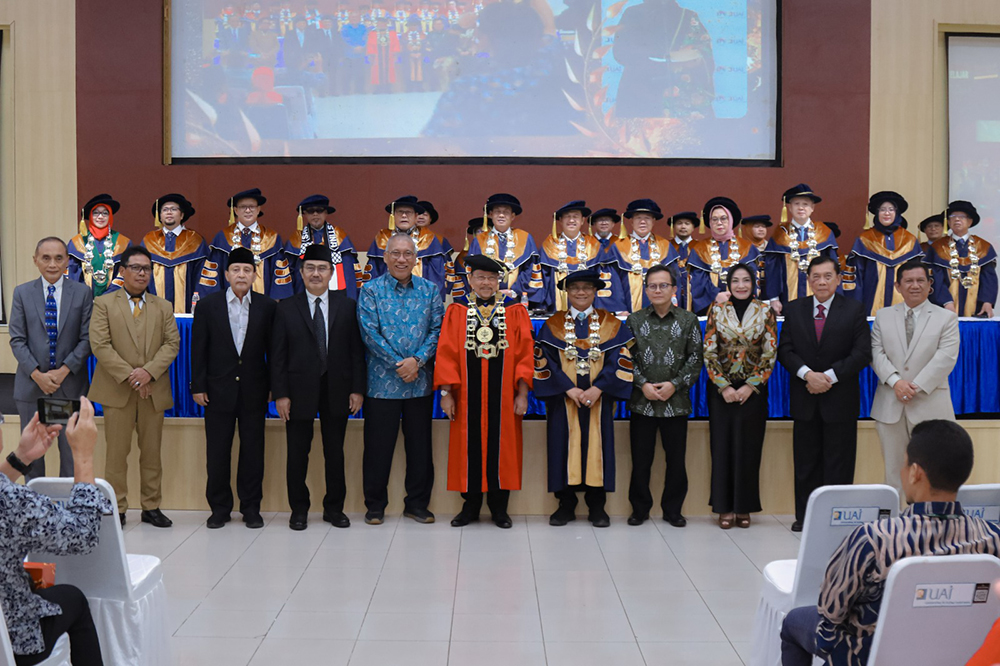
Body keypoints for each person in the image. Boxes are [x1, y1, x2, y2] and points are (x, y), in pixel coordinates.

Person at [779, 420, 1000, 666]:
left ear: (915, 473)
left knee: (793, 622)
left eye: (904, 464)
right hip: (962, 654)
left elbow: (831, 610)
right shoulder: (993, 538)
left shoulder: (873, 538)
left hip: (869, 655)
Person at [0, 397, 112, 666]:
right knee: (73, 597)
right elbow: (82, 535)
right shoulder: (12, 500)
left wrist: (21, 458)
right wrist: (83, 456)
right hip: (14, 639)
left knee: (37, 577)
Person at [435, 254, 534, 529]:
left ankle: (500, 509)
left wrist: (522, 393)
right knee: (468, 448)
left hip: (504, 397)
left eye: (492, 278)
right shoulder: (457, 310)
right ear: (470, 279)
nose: (486, 283)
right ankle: (470, 507)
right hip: (466, 397)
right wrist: (446, 393)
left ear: (499, 281)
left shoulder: (514, 310)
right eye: (481, 277)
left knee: (503, 448)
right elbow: (446, 353)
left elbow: (525, 354)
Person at [273, 245, 366, 530]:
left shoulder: (347, 305)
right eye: (310, 268)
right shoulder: (286, 308)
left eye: (322, 268)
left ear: (331, 273)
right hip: (298, 391)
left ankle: (334, 509)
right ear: (301, 273)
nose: (316, 274)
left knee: (335, 452)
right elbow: (278, 356)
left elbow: (356, 351)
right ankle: (299, 509)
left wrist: (357, 389)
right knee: (297, 453)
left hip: (337, 388)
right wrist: (281, 394)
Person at [88, 246, 181, 528]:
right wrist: (133, 376)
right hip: (118, 391)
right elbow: (100, 345)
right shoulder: (103, 304)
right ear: (122, 271)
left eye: (147, 268)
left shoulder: (163, 306)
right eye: (136, 268)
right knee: (117, 455)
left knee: (152, 454)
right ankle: (117, 507)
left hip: (153, 391)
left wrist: (148, 373)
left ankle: (151, 506)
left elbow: (172, 344)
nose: (142, 273)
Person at [777, 256, 872, 532]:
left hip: (840, 399)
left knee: (839, 464)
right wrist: (808, 375)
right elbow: (785, 351)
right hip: (805, 397)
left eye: (827, 276)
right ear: (808, 280)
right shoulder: (795, 309)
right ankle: (805, 517)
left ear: (838, 279)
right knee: (805, 463)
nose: (821, 282)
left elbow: (862, 353)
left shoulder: (854, 309)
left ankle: (836, 518)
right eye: (816, 276)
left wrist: (828, 377)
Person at [534, 268, 634, 527]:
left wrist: (598, 388)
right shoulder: (553, 325)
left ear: (595, 291)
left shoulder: (611, 324)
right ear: (567, 292)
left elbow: (620, 360)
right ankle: (565, 505)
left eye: (587, 287)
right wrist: (569, 389)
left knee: (598, 449)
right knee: (562, 447)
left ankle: (597, 507)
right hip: (563, 400)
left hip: (599, 401)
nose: (581, 292)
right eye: (575, 287)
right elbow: (545, 362)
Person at [358, 233, 444, 525]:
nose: (401, 259)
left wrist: (417, 361)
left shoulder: (430, 290)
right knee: (377, 448)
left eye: (408, 254)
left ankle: (417, 504)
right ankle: (375, 506)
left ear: (416, 259)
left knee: (420, 449)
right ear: (385, 257)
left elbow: (437, 330)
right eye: (395, 253)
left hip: (419, 383)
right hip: (382, 384)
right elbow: (369, 333)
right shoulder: (370, 291)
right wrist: (400, 364)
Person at [191, 248, 277, 530]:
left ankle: (251, 508)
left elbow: (274, 352)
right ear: (226, 274)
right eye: (236, 270)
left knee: (253, 452)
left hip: (255, 390)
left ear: (254, 275)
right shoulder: (208, 306)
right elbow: (198, 349)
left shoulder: (267, 306)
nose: (241, 275)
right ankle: (219, 508)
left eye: (247, 270)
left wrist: (273, 386)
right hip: (217, 391)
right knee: (217, 453)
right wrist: (198, 385)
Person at [870, 260, 960, 498]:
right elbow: (876, 353)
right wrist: (896, 382)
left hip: (930, 404)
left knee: (934, 472)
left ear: (930, 285)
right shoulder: (882, 316)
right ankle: (896, 519)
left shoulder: (946, 318)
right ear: (898, 286)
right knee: (894, 472)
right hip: (891, 404)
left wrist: (914, 387)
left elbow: (946, 358)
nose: (915, 285)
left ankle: (931, 518)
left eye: (921, 280)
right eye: (908, 281)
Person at [624, 264, 702, 527]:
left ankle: (673, 510)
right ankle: (639, 509)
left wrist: (674, 384)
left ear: (674, 289)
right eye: (653, 286)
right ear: (646, 290)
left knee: (676, 461)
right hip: (642, 402)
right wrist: (642, 384)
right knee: (641, 460)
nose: (658, 290)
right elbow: (625, 358)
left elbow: (695, 359)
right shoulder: (634, 321)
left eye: (663, 285)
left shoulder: (688, 320)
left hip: (675, 403)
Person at [9, 238, 93, 479]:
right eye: (46, 258)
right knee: (32, 456)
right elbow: (17, 340)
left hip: (68, 388)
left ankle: (69, 502)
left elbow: (87, 339)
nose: (52, 264)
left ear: (67, 261)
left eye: (58, 258)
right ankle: (34, 502)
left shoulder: (82, 293)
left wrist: (63, 371)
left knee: (70, 455)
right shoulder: (22, 293)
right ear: (35, 260)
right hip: (32, 389)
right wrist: (38, 375)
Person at [703, 263, 777, 529]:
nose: (741, 285)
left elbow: (770, 352)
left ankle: (744, 507)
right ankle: (723, 508)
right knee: (722, 448)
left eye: (746, 280)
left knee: (749, 449)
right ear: (728, 284)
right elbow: (709, 351)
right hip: (721, 391)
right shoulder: (717, 310)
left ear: (754, 283)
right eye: (736, 281)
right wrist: (724, 386)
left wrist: (750, 386)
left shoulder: (765, 311)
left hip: (752, 391)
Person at [611, 0, 714, 119]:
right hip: (646, 92)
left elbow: (703, 54)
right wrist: (667, 56)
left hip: (669, 94)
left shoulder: (687, 16)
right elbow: (621, 53)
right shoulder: (633, 13)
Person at [203, 188, 294, 300]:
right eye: (243, 207)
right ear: (236, 210)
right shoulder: (222, 238)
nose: (248, 210)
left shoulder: (271, 238)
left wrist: (276, 304)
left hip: (264, 305)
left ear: (258, 209)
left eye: (252, 206)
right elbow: (213, 276)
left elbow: (280, 277)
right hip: (228, 304)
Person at [763, 184, 839, 313]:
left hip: (821, 297)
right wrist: (774, 298)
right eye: (796, 204)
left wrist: (834, 295)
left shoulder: (824, 233)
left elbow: (833, 268)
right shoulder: (780, 234)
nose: (801, 207)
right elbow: (773, 269)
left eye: (805, 204)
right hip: (787, 298)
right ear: (790, 208)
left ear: (812, 208)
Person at [846, 191, 923, 316]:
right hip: (870, 307)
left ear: (897, 213)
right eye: (882, 209)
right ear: (877, 213)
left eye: (891, 209)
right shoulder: (864, 240)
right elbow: (856, 279)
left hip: (905, 307)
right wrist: (855, 309)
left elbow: (918, 278)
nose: (887, 213)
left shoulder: (910, 241)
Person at [364, 195, 450, 299]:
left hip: (420, 300)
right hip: (386, 300)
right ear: (393, 215)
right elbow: (373, 274)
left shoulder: (429, 239)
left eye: (408, 212)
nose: (404, 216)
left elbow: (436, 278)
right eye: (400, 212)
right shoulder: (382, 238)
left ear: (416, 216)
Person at [686, 197, 761, 315]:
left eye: (723, 218)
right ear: (710, 222)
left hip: (742, 306)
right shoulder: (700, 249)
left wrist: (737, 296)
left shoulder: (746, 248)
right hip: (712, 307)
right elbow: (698, 280)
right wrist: (715, 295)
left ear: (731, 220)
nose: (719, 223)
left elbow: (752, 277)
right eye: (714, 219)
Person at [925, 200, 997, 317]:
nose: (957, 219)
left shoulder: (983, 247)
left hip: (977, 309)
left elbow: (989, 279)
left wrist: (987, 302)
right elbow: (935, 279)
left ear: (970, 222)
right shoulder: (938, 247)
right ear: (948, 222)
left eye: (962, 216)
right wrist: (946, 302)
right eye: (953, 216)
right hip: (945, 309)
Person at [141, 194, 210, 313]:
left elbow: (202, 276)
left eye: (173, 209)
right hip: (154, 309)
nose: (169, 212)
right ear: (160, 216)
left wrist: (198, 303)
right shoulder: (149, 240)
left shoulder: (195, 240)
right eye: (165, 209)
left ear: (182, 215)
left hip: (187, 310)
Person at [607, 198, 680, 313]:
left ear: (653, 221)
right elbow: (613, 282)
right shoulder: (618, 247)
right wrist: (620, 310)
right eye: (638, 218)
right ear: (631, 221)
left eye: (647, 218)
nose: (642, 222)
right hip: (628, 313)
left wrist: (672, 306)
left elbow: (675, 281)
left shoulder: (665, 246)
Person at [284, 194, 361, 300]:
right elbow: (289, 272)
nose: (315, 214)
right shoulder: (296, 238)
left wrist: (351, 299)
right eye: (311, 211)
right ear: (305, 214)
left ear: (326, 213)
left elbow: (349, 272)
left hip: (336, 295)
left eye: (319, 210)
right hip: (303, 295)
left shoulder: (339, 235)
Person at [535, 200, 604, 313]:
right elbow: (543, 278)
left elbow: (601, 279)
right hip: (555, 308)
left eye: (575, 216)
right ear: (560, 220)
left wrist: (601, 307)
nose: (571, 220)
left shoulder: (594, 246)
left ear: (582, 220)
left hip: (589, 310)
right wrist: (542, 306)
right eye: (567, 216)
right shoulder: (549, 245)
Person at [467, 193, 539, 300]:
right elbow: (473, 271)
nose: (501, 215)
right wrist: (488, 290)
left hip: (516, 298)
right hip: (486, 298)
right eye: (497, 212)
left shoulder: (525, 238)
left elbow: (530, 270)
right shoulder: (479, 240)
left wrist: (514, 291)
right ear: (490, 214)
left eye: (506, 212)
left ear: (512, 216)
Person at [67, 194, 132, 298]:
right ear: (90, 216)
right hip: (83, 300)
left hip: (115, 299)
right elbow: (72, 274)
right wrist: (85, 296)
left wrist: (107, 297)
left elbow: (126, 273)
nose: (100, 217)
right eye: (96, 213)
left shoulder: (123, 242)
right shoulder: (77, 242)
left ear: (110, 216)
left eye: (105, 213)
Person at [667, 210, 699, 311]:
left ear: (693, 227)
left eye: (687, 223)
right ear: (673, 226)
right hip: (671, 293)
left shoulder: (700, 247)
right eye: (679, 223)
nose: (683, 227)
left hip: (694, 293)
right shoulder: (666, 246)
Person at [741, 214, 772, 300]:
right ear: (748, 229)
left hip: (769, 293)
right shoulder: (742, 250)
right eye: (757, 226)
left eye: (763, 226)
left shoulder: (771, 248)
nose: (761, 229)